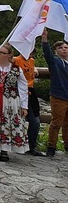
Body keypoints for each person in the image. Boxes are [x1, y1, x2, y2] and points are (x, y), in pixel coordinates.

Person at [0, 44, 28, 161]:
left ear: (9, 55)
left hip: (11, 101)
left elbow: (23, 88)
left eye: (2, 52)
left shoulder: (16, 69)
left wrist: (24, 106)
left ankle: (4, 150)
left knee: (8, 123)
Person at [41, 29, 68, 157]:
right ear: (56, 50)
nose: (64, 49)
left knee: (67, 123)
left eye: (66, 47)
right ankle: (51, 146)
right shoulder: (55, 62)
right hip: (59, 95)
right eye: (61, 48)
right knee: (57, 122)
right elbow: (47, 54)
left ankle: (67, 145)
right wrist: (45, 40)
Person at [13, 47, 44, 156]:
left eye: (31, 52)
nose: (29, 54)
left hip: (30, 91)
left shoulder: (31, 61)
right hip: (18, 91)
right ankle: (18, 144)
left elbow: (32, 69)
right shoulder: (16, 60)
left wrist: (35, 69)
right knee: (19, 118)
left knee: (35, 120)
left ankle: (32, 146)